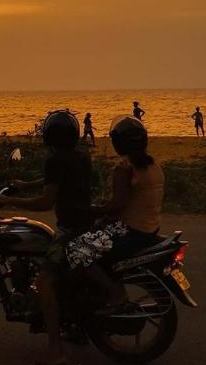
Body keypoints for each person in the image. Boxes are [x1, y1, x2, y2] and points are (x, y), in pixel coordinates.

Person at [0, 110, 94, 365]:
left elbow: (46, 201)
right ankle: (76, 327)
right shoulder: (81, 157)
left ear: (50, 136)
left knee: (44, 281)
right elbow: (56, 183)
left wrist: (9, 201)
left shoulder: (54, 161)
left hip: (70, 229)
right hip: (86, 224)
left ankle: (56, 353)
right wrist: (26, 185)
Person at [65, 115, 164, 311]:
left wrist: (91, 210)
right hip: (150, 228)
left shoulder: (125, 167)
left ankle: (114, 292)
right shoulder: (153, 165)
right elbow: (131, 200)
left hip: (129, 231)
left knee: (75, 250)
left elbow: (117, 204)